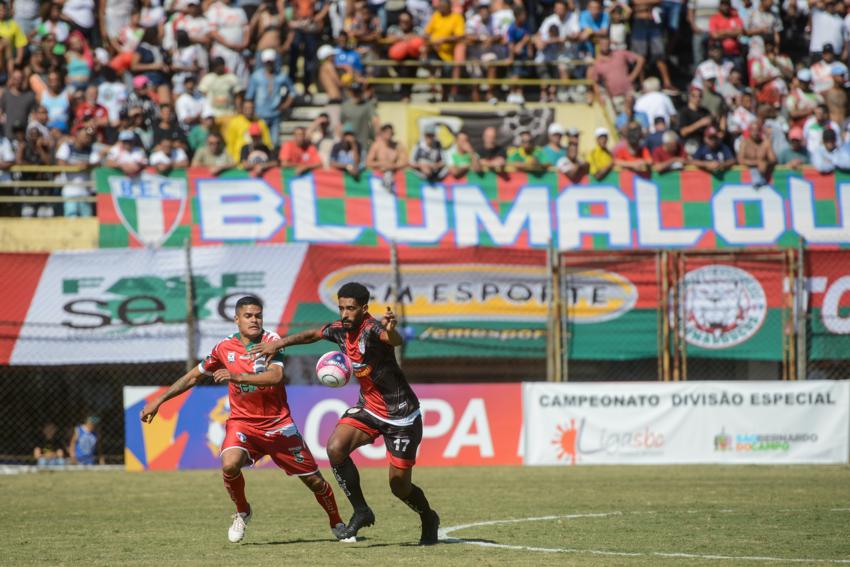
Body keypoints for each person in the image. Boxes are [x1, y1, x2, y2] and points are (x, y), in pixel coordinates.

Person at [141, 296, 348, 544]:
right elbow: (193, 376)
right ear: (236, 319)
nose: (254, 320)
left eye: (258, 315)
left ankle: (337, 522)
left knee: (315, 481)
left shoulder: (272, 342)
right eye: (248, 316)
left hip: (278, 425)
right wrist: (159, 400)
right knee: (229, 465)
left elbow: (274, 377)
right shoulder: (223, 348)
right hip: (243, 424)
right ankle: (242, 511)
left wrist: (235, 377)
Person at [249, 283, 440, 545]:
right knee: (335, 448)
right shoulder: (340, 330)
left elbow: (392, 340)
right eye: (341, 308)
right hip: (370, 408)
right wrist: (280, 343)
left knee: (399, 487)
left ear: (363, 308)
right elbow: (312, 335)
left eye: (350, 308)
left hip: (402, 416)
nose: (345, 313)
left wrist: (391, 330)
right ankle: (361, 510)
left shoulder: (373, 329)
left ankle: (429, 517)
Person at [56, 127, 100, 217]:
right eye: (85, 136)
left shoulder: (91, 149)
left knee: (87, 222)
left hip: (85, 194)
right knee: (71, 221)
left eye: (89, 136)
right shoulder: (67, 146)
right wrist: (76, 166)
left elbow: (97, 163)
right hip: (70, 193)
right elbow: (60, 163)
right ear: (77, 135)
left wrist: (87, 165)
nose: (88, 138)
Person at [366, 124, 408, 191]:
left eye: (390, 133)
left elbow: (405, 161)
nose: (388, 135)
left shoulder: (397, 146)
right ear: (382, 133)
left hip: (394, 177)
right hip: (379, 178)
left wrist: (394, 166)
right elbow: (368, 162)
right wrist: (382, 163)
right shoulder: (376, 145)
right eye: (386, 132)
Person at [737, 120, 776, 187]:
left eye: (757, 130)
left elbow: (773, 159)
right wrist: (757, 163)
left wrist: (766, 163)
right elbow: (740, 160)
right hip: (747, 179)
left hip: (764, 177)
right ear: (749, 131)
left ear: (760, 131)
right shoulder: (744, 143)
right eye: (753, 130)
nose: (755, 133)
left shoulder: (765, 143)